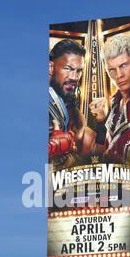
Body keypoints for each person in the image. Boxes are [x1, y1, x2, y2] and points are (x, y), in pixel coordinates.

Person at [89, 33, 130, 166]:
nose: (119, 75)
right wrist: (102, 122)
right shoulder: (116, 101)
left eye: (123, 65)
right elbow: (109, 147)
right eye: (112, 69)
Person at [49, 39, 86, 169]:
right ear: (51, 67)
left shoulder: (74, 112)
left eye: (79, 71)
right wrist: (52, 147)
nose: (74, 77)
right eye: (68, 69)